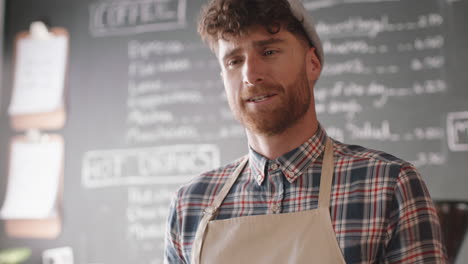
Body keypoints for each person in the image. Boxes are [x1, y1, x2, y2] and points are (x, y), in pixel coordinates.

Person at [164, 0, 447, 263]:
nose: (251, 75)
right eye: (234, 61)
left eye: (269, 51)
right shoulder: (190, 204)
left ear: (312, 63)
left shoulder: (389, 185)